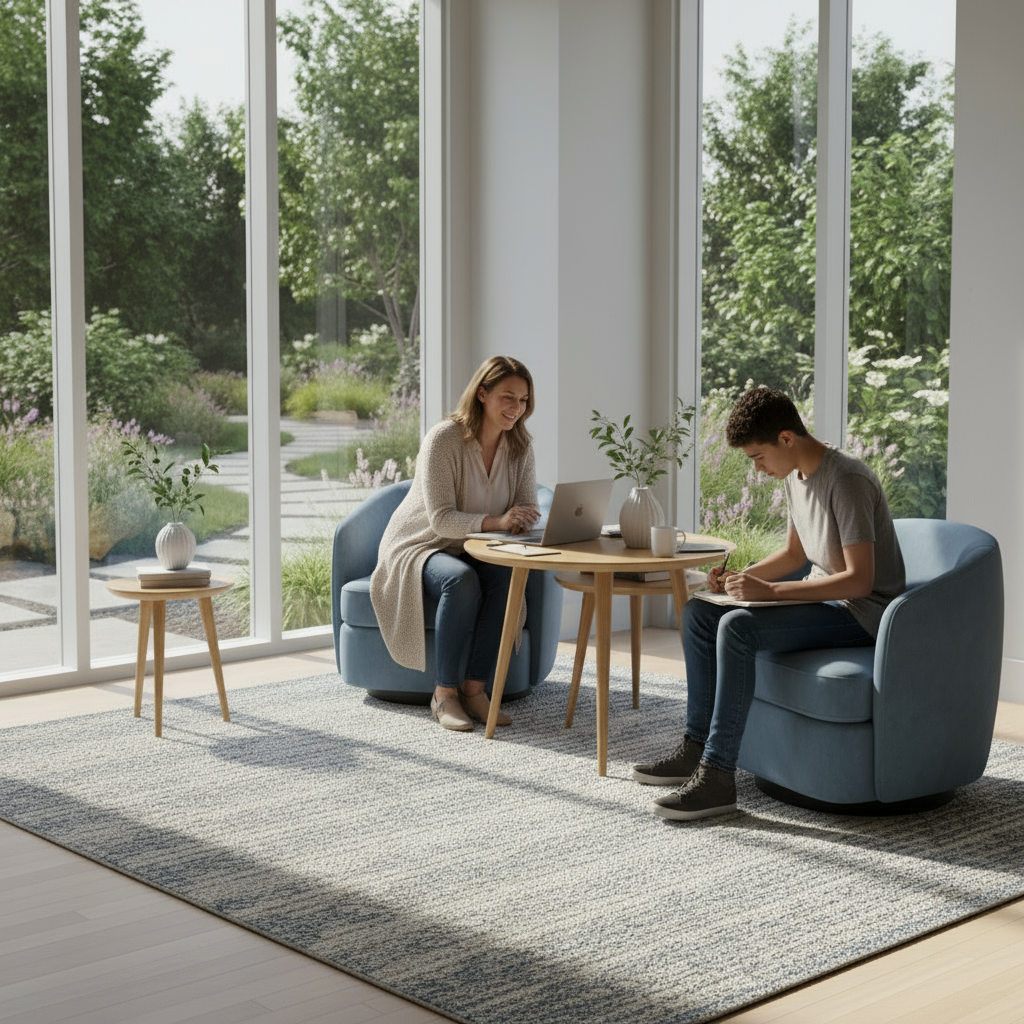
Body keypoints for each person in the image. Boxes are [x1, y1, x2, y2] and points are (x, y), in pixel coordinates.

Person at [633, 386, 905, 819]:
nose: (757, 469)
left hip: (863, 613)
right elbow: (796, 555)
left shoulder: (847, 479)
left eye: (758, 457)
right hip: (827, 602)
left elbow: (860, 581)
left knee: (737, 629)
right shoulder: (796, 476)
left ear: (786, 438)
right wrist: (742, 579)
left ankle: (717, 777)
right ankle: (695, 747)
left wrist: (771, 592)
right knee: (699, 612)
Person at [370, 356, 541, 731]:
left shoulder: (521, 446)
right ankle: (444, 693)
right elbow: (441, 519)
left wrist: (524, 519)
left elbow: (527, 504)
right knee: (460, 580)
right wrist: (499, 521)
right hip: (422, 544)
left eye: (523, 400)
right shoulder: (444, 438)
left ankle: (474, 689)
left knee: (504, 577)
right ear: (482, 394)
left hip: (478, 544)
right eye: (508, 397)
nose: (516, 408)